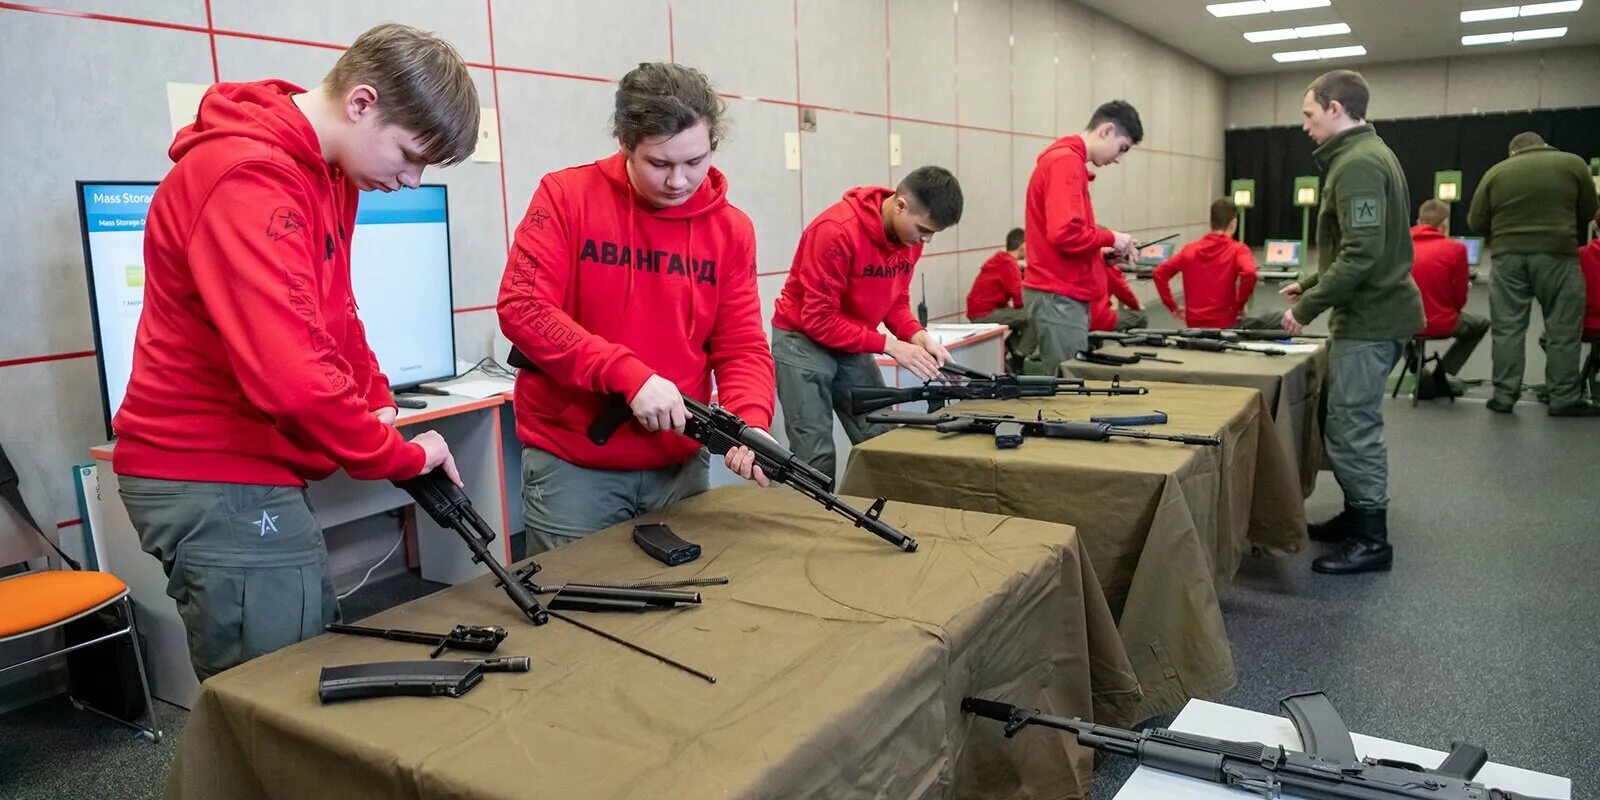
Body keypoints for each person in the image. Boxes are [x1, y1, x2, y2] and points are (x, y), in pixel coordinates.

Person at [111, 24, 476, 680]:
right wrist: (397, 454)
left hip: (246, 466)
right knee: (279, 689)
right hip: (210, 468)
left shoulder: (331, 174)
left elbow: (335, 313)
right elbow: (292, 379)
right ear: (361, 104)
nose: (413, 179)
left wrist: (378, 401)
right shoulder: (246, 175)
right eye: (409, 154)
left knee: (304, 653)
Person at [498, 62, 775, 554]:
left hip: (679, 464)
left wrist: (749, 418)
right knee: (570, 612)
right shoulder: (566, 197)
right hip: (573, 466)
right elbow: (524, 307)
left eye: (695, 161)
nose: (678, 181)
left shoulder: (732, 230)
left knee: (686, 615)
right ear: (624, 143)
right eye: (659, 164)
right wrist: (629, 375)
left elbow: (742, 346)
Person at [1277, 70, 1424, 576]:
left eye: (1309, 114)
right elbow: (1364, 247)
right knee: (1339, 420)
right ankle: (1357, 514)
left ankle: (1372, 538)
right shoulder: (1364, 155)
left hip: (1371, 318)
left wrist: (1305, 309)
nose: (1305, 125)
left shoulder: (1358, 163)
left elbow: (1362, 256)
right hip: (1371, 312)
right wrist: (1314, 282)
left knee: (1353, 426)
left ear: (1336, 108)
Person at [770, 167, 964, 480]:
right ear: (900, 205)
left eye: (933, 234)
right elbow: (818, 319)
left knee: (882, 435)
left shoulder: (909, 240)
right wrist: (889, 345)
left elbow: (896, 301)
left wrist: (918, 335)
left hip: (849, 337)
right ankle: (816, 525)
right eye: (923, 229)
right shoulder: (836, 230)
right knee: (814, 456)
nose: (926, 240)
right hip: (802, 340)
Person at [1467, 131, 1600, 416]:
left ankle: (1504, 396)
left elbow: (1476, 221)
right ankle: (1563, 398)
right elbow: (1589, 209)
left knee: (1508, 329)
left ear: (1513, 152)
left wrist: (1504, 233)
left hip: (1507, 259)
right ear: (1544, 145)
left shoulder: (1496, 172)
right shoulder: (1574, 164)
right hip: (1558, 255)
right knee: (1563, 329)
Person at [1024, 100, 1143, 371]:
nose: (1118, 158)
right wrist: (1111, 237)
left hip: (1058, 293)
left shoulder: (1064, 160)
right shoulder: (1066, 162)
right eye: (1121, 148)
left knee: (1068, 382)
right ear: (1106, 131)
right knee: (1068, 388)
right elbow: (1065, 233)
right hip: (1058, 295)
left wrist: (1102, 256)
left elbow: (1064, 237)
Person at [1408, 199, 1488, 397]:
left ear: (1418, 221)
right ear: (1444, 224)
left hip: (1402, 325)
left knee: (1397, 327)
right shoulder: (1456, 249)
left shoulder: (1397, 248)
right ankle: (1440, 376)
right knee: (1481, 324)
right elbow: (1460, 298)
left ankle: (1414, 365)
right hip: (1442, 322)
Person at [1153, 198, 1258, 328]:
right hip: (1225, 323)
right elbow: (1249, 273)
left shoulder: (1189, 250)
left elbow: (1159, 273)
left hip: (1193, 325)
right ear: (1234, 223)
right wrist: (1239, 305)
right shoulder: (1238, 250)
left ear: (1211, 223)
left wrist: (1172, 306)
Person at [966, 227, 1034, 365]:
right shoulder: (1009, 265)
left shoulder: (1001, 260)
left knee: (1026, 322)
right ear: (1023, 245)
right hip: (985, 314)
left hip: (978, 311)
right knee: (1035, 315)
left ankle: (1012, 350)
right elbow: (1019, 302)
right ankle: (1018, 358)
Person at [1089, 257, 1148, 334]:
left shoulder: (1078, 262)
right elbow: (1124, 293)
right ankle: (1133, 344)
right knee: (1141, 316)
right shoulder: (1107, 265)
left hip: (1076, 319)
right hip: (1098, 319)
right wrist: (1137, 306)